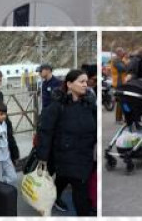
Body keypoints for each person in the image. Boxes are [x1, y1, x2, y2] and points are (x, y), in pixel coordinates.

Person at [38, 69, 97, 217]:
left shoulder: (89, 105)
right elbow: (45, 131)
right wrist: (43, 158)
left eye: (86, 81)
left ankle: (54, 198)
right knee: (80, 190)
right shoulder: (57, 106)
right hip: (65, 155)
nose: (85, 85)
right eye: (81, 81)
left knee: (64, 180)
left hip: (86, 155)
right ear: (69, 84)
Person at [109, 49, 128, 122]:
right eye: (123, 52)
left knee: (122, 101)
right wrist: (126, 61)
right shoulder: (116, 60)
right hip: (119, 83)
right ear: (119, 53)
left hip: (121, 83)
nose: (124, 53)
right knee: (121, 101)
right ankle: (118, 119)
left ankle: (122, 118)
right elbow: (123, 68)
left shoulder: (119, 60)